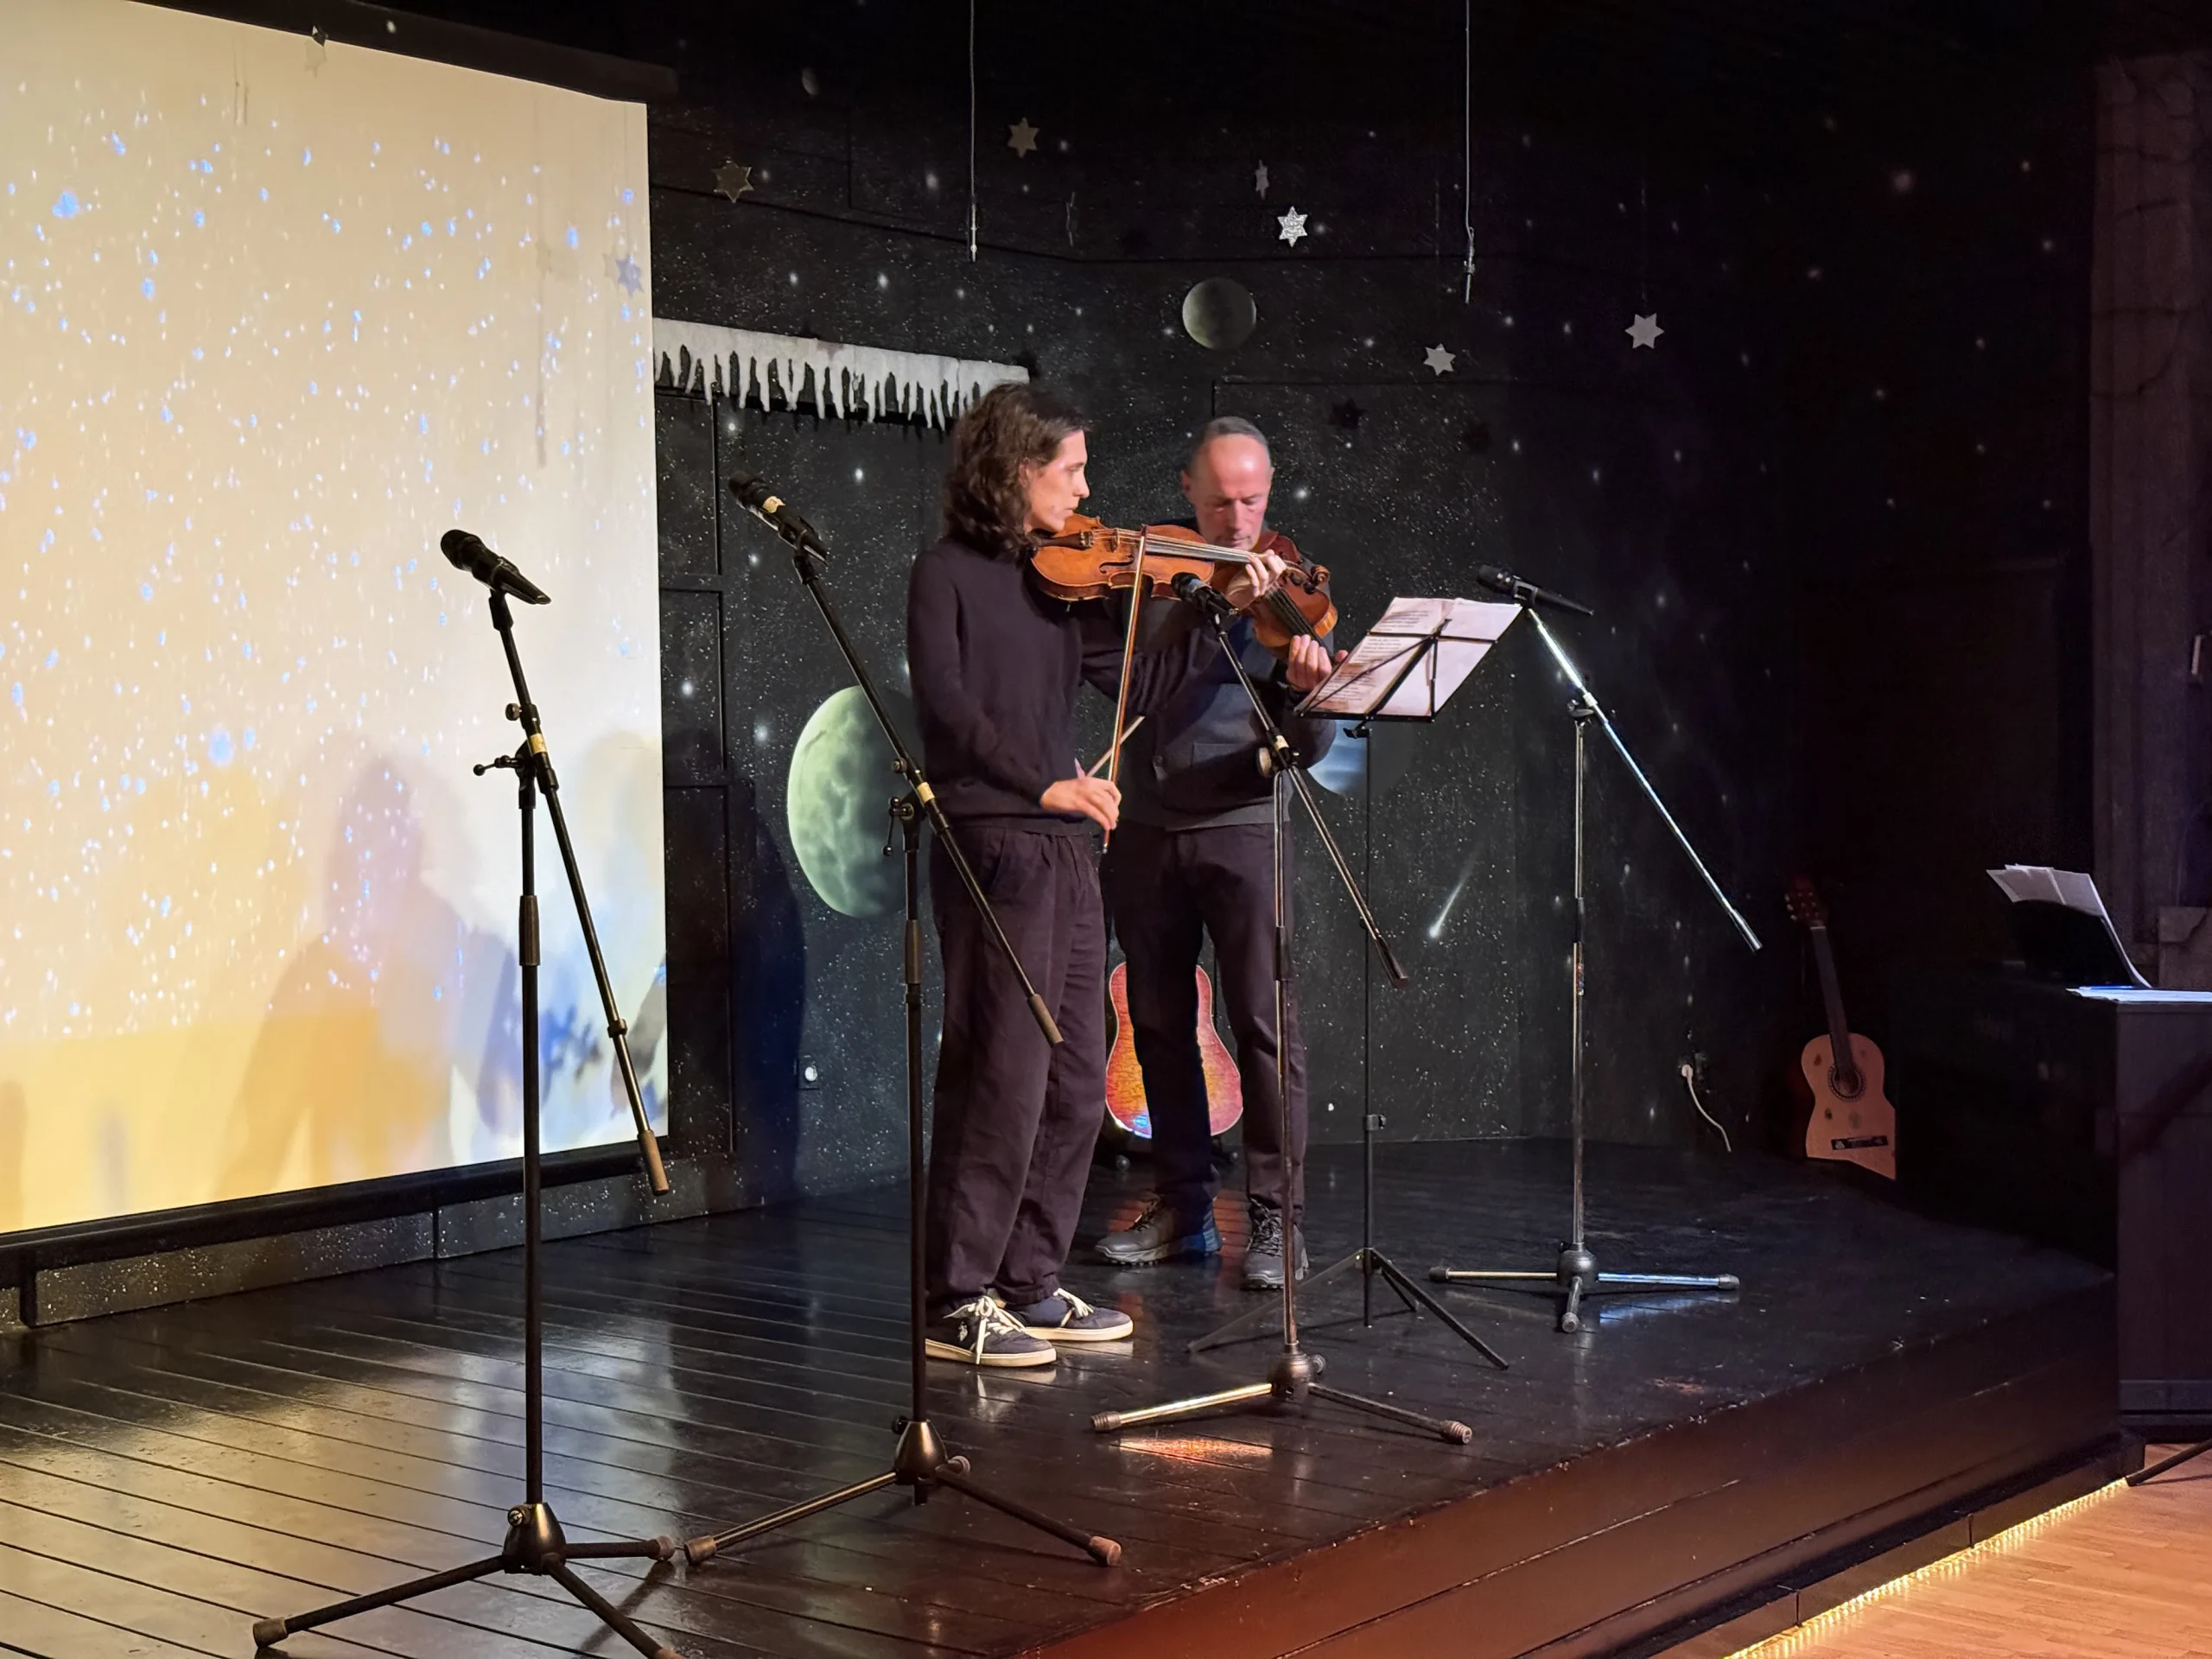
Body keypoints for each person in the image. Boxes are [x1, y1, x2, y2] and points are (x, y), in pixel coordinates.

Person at [904, 382, 1135, 1367]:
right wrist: (1040, 783)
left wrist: (1236, 615)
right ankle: (957, 1297)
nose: (1084, 489)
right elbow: (947, 709)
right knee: (1002, 1071)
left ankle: (1027, 1281)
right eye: (1069, 470)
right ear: (1015, 469)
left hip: (1066, 846)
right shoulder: (944, 574)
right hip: (993, 840)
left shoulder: (1059, 583)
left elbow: (1141, 679)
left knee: (1078, 1077)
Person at [1095, 416, 1340, 1290]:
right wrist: (1216, 605)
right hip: (1146, 828)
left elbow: (1308, 750)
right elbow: (1128, 684)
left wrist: (1308, 698)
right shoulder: (1150, 579)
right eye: (1223, 502)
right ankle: (1182, 1207)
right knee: (1158, 1023)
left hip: (1243, 828)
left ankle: (1277, 1220)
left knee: (1264, 1027)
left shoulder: (1293, 594)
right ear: (1187, 493)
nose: (1240, 523)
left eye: (1254, 501)